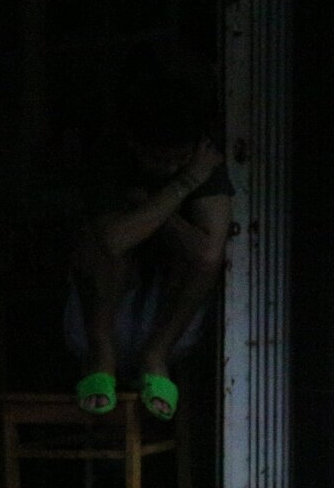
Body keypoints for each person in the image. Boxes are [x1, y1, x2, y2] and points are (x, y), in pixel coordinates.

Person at [67, 79, 232, 421]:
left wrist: (152, 207)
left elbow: (206, 253)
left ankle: (156, 356)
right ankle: (102, 354)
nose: (171, 168)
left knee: (206, 258)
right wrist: (184, 185)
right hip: (103, 307)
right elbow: (115, 240)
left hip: (169, 314)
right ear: (134, 143)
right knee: (99, 244)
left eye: (179, 160)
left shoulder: (204, 160)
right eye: (159, 159)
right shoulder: (111, 159)